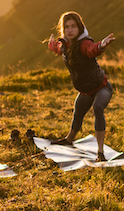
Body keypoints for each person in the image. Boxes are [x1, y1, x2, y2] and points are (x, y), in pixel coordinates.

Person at [47, 11, 116, 161]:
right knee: (77, 113)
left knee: (97, 108)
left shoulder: (84, 43)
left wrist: (101, 45)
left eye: (73, 26)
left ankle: (100, 152)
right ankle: (69, 140)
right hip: (85, 91)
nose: (70, 30)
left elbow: (92, 49)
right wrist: (53, 46)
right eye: (66, 27)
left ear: (80, 28)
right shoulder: (66, 45)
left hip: (101, 87)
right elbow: (60, 50)